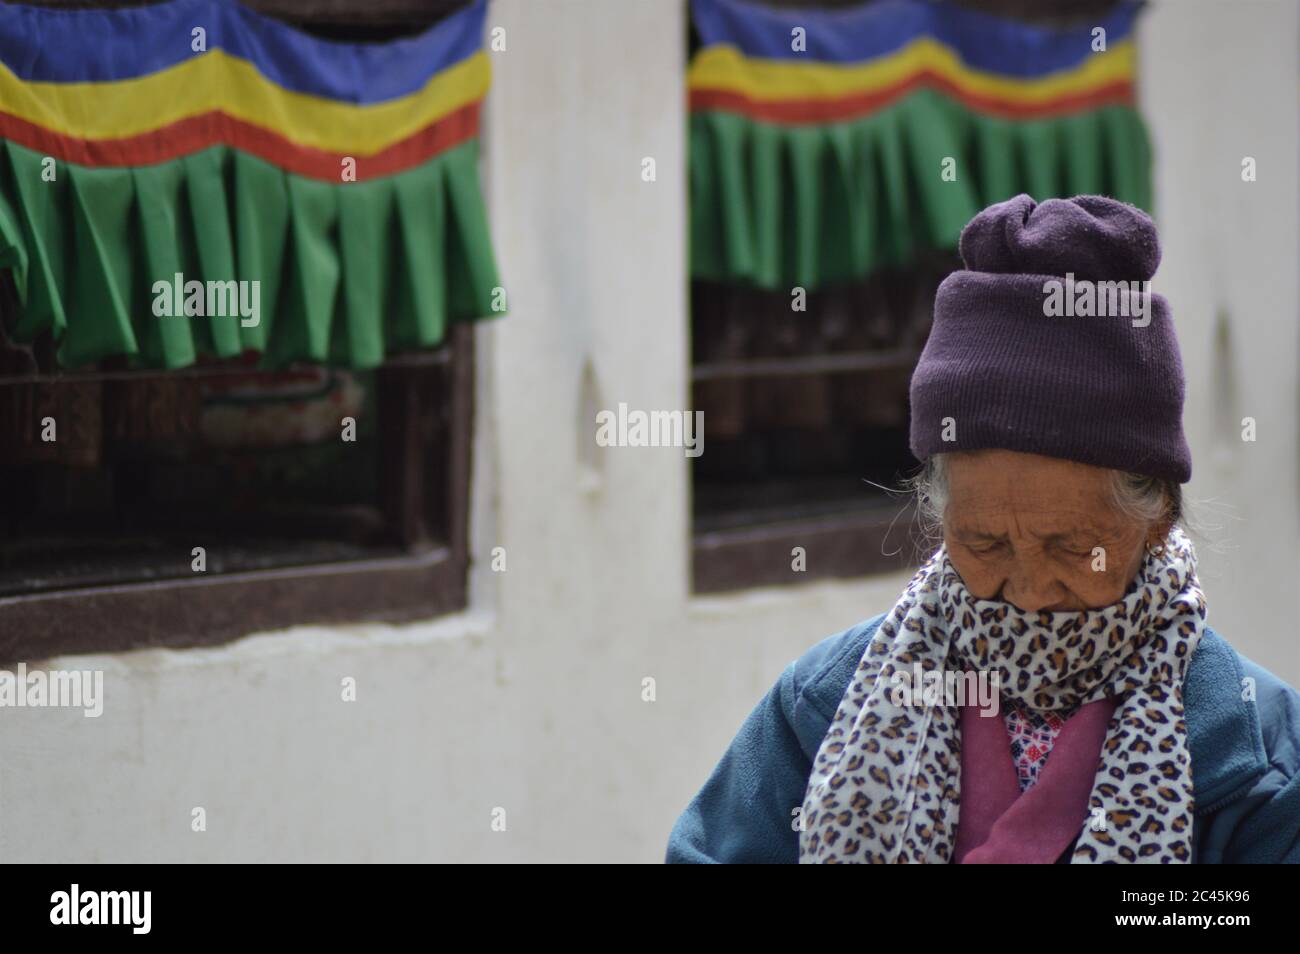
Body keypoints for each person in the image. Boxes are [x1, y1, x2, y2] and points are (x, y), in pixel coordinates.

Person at [666, 194, 1300, 863]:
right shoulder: (822, 706)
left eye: (1067, 547)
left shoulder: (1258, 753)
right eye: (984, 543)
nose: (1025, 593)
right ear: (940, 516)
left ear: (1156, 518)